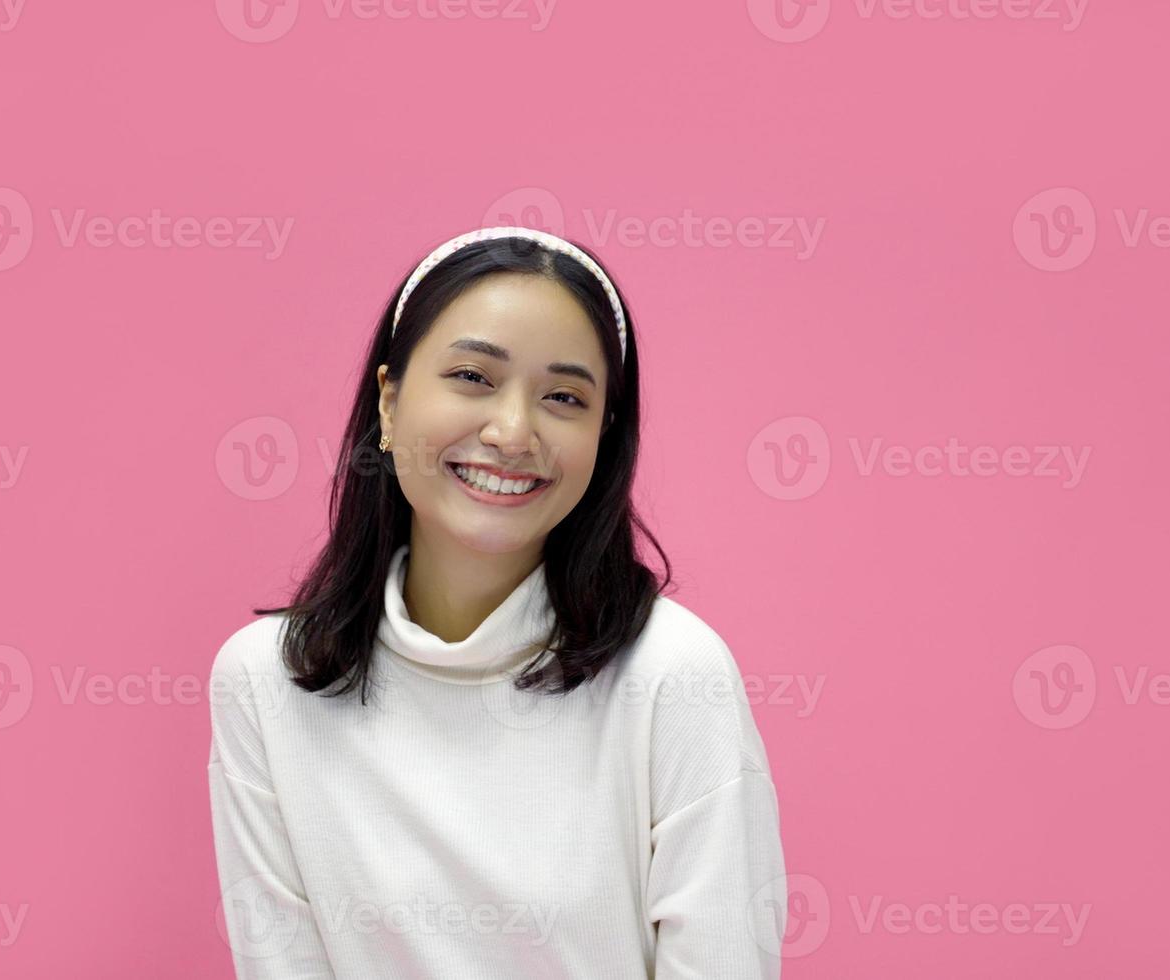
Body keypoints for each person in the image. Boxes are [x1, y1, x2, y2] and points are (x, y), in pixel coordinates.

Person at [206, 226, 787, 978]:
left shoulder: (675, 677)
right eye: (474, 377)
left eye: (564, 397)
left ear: (604, 438)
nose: (513, 432)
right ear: (388, 401)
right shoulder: (265, 683)